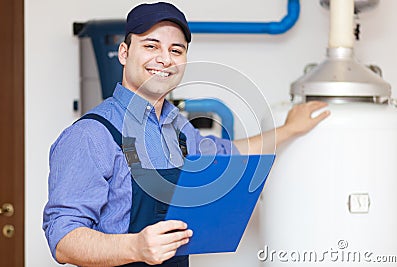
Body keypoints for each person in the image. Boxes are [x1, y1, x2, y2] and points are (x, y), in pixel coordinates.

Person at [42, 2, 330, 267]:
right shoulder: (90, 135)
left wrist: (290, 128)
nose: (164, 59)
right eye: (151, 46)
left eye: (176, 50)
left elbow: (227, 153)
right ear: (124, 53)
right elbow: (64, 240)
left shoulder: (178, 128)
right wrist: (135, 247)